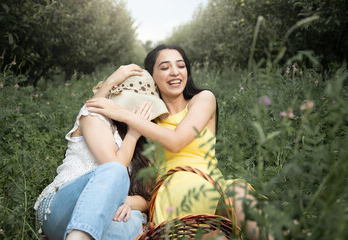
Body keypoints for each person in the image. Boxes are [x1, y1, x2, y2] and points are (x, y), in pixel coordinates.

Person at [86, 45, 264, 239]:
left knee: (240, 194)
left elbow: (176, 141)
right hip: (174, 202)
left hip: (212, 187)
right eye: (164, 68)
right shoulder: (146, 121)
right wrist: (111, 82)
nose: (175, 72)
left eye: (181, 66)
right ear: (151, 76)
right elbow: (87, 115)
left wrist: (125, 115)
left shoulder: (202, 99)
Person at [34, 65, 169, 240]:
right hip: (60, 209)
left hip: (102, 220)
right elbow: (115, 168)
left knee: (134, 218)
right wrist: (133, 134)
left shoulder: (144, 146)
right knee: (116, 170)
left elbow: (147, 199)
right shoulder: (94, 117)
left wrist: (127, 202)